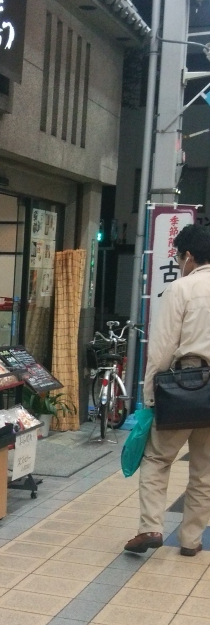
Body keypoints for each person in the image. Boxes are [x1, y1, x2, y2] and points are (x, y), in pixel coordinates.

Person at [125, 223, 210, 557]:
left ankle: (150, 527)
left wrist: (149, 396)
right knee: (204, 471)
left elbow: (161, 351)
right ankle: (191, 540)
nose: (177, 262)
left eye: (177, 257)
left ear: (188, 255)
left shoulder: (181, 289)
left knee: (157, 458)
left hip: (184, 386)